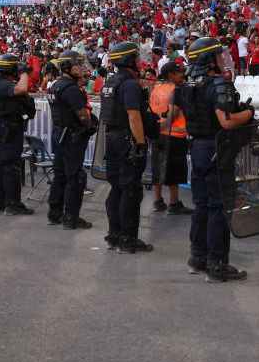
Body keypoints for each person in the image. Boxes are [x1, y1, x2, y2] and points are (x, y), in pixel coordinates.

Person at [178, 36, 254, 281]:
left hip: (196, 148)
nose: (223, 59)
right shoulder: (218, 84)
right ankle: (217, 263)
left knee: (200, 206)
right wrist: (249, 113)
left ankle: (197, 257)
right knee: (218, 207)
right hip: (216, 149)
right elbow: (227, 121)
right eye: (219, 55)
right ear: (208, 59)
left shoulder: (188, 84)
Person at [101, 41, 153, 253]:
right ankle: (128, 239)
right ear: (130, 60)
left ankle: (114, 235)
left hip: (112, 137)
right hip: (126, 139)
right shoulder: (130, 84)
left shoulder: (110, 82)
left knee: (116, 188)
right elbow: (134, 116)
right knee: (130, 190)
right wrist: (140, 143)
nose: (140, 61)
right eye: (137, 57)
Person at [46, 50, 96, 229]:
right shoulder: (72, 89)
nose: (82, 68)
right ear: (67, 66)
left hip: (59, 135)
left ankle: (54, 213)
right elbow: (83, 116)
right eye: (78, 64)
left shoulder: (55, 86)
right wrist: (90, 126)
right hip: (72, 136)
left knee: (59, 175)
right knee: (74, 177)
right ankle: (70, 217)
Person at [0, 53, 36, 215]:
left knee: (2, 165)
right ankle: (12, 204)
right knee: (11, 166)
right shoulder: (2, 84)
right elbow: (21, 89)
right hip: (9, 128)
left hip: (4, 128)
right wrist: (23, 73)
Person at [148, 62, 193, 215]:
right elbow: (173, 114)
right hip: (173, 136)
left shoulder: (156, 89)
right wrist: (163, 128)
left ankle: (157, 201)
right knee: (174, 170)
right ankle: (174, 203)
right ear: (170, 74)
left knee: (157, 168)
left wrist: (155, 131)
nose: (182, 74)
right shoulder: (176, 91)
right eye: (178, 72)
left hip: (157, 135)